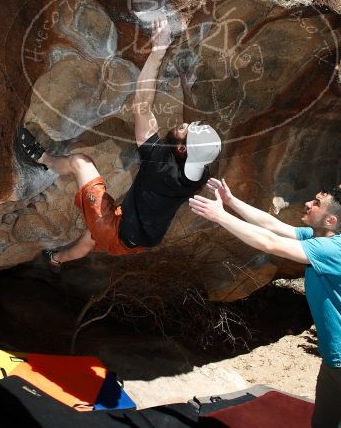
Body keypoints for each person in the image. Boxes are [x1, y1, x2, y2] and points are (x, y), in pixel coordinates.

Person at [189, 180, 341, 428]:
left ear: (330, 220)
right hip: (335, 363)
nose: (308, 203)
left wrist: (221, 217)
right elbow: (272, 226)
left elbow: (269, 243)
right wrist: (230, 201)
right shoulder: (317, 236)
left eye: (317, 203)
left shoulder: (336, 250)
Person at [19, 17, 221, 271]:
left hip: (115, 229)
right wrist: (186, 88)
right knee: (91, 238)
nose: (183, 124)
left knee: (81, 163)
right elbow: (191, 134)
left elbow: (142, 105)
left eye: (184, 129)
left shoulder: (159, 165)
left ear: (181, 150)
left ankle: (41, 159)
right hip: (132, 241)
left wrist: (159, 50)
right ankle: (55, 260)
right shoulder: (198, 173)